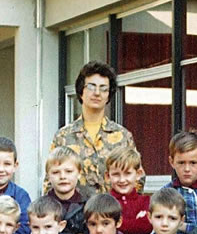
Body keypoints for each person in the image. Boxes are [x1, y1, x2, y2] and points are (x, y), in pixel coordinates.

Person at [47, 61, 139, 197]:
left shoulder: (122, 136)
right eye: (91, 86)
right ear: (81, 91)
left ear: (109, 95)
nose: (97, 93)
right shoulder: (64, 136)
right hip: (73, 215)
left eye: (103, 88)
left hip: (112, 214)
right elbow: (50, 181)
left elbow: (137, 179)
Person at [162, 130, 197, 233]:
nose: (187, 169)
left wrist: (185, 227)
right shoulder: (166, 193)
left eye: (193, 163)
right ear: (172, 162)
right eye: (181, 163)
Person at [106, 146, 151, 234]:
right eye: (116, 174)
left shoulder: (145, 201)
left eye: (127, 173)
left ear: (138, 174)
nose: (122, 180)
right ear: (108, 176)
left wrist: (116, 223)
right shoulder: (104, 202)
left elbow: (146, 227)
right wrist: (135, 222)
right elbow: (105, 230)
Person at [45, 146, 88, 234]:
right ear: (48, 176)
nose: (62, 177)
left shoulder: (87, 206)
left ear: (79, 173)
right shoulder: (41, 206)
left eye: (68, 171)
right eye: (56, 172)